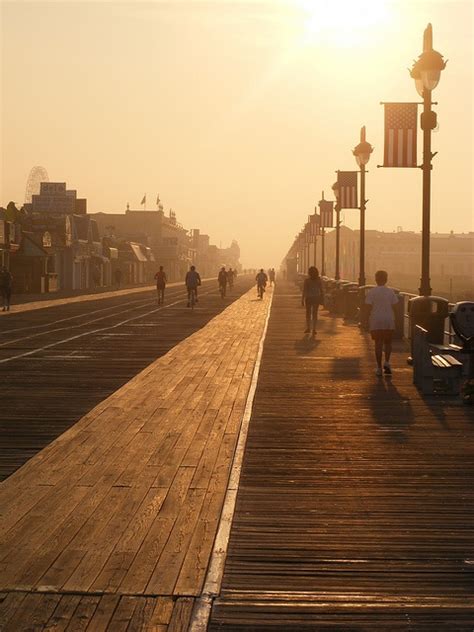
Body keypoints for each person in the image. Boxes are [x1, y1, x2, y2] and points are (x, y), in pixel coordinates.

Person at [365, 270, 399, 376]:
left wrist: (366, 320)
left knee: (378, 344)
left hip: (376, 320)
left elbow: (368, 307)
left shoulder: (372, 292)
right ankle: (387, 362)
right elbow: (395, 306)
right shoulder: (390, 292)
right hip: (388, 319)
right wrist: (395, 319)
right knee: (388, 343)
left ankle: (379, 368)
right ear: (386, 279)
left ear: (376, 279)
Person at [302, 266, 323, 335]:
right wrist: (322, 298)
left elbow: (304, 290)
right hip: (316, 297)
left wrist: (302, 299)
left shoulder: (307, 281)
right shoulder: (319, 280)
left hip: (309, 298)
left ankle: (308, 328)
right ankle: (314, 329)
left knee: (308, 313)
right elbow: (321, 289)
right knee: (314, 313)